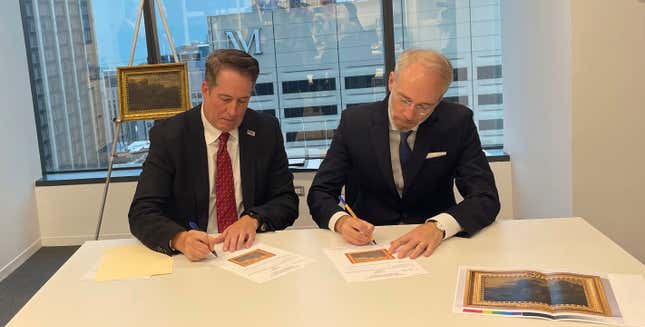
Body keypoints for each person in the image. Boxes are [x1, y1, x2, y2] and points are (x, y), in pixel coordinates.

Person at [307, 49, 500, 259]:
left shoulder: (456, 122)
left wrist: (439, 226)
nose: (409, 115)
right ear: (391, 81)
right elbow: (320, 192)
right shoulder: (355, 123)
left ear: (440, 98)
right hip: (370, 243)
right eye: (404, 100)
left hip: (435, 247)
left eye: (424, 106)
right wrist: (341, 222)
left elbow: (485, 197)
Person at [129, 49, 298, 261]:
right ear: (205, 90)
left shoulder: (265, 130)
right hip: (194, 256)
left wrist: (253, 219)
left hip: (250, 251)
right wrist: (180, 238)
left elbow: (287, 201)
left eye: (242, 101)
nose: (233, 112)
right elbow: (142, 212)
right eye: (225, 99)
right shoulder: (170, 136)